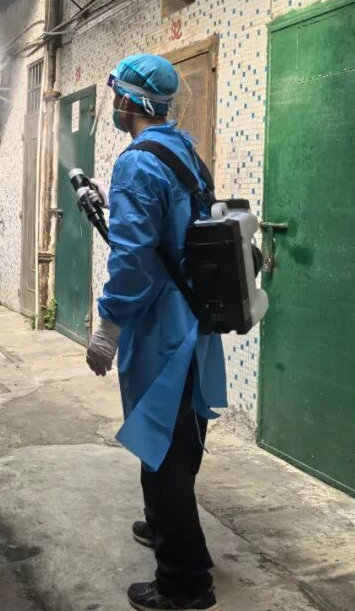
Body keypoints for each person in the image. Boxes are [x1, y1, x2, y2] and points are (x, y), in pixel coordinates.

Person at [86, 54, 227, 611]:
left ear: (129, 101)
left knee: (163, 450)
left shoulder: (136, 163)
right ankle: (164, 525)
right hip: (194, 319)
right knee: (180, 437)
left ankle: (185, 581)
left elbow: (133, 260)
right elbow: (169, 219)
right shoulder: (182, 149)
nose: (115, 104)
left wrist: (108, 326)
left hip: (164, 328)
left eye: (117, 95)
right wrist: (112, 198)